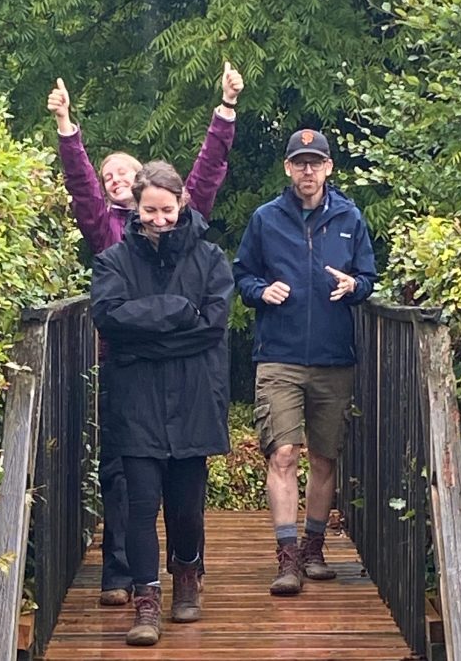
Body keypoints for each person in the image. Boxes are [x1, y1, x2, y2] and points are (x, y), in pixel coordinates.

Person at [47, 63, 243, 605]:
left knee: (183, 494)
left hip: (182, 380)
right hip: (130, 378)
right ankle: (128, 581)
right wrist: (66, 127)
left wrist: (225, 109)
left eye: (122, 172)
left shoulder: (191, 235)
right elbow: (80, 186)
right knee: (126, 485)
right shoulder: (107, 236)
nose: (113, 179)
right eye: (108, 174)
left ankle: (184, 574)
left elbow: (206, 172)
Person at [90, 160, 233, 646]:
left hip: (194, 397)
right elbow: (109, 318)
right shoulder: (113, 261)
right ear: (136, 206)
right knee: (140, 503)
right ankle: (146, 600)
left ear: (182, 202)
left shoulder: (211, 258)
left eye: (167, 210)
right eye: (149, 210)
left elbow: (213, 326)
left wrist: (145, 338)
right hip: (136, 400)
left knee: (187, 506)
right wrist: (176, 310)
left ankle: (187, 575)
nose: (159, 219)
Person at [233, 128, 376, 596]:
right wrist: (262, 291)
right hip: (279, 355)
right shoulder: (265, 219)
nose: (308, 170)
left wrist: (354, 286)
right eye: (300, 162)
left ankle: (314, 546)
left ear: (329, 167)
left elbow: (369, 278)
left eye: (316, 162)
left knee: (323, 456)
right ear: (288, 168)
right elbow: (242, 276)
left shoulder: (350, 217)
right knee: (283, 453)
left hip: (334, 357)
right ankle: (287, 555)